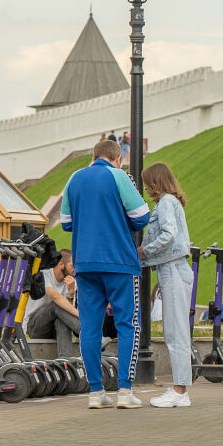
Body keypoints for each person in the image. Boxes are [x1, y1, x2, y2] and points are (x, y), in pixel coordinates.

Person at [64, 137, 153, 409]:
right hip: (119, 261)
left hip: (85, 263)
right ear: (118, 158)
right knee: (128, 325)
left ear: (94, 156)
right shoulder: (119, 176)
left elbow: (67, 223)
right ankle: (125, 391)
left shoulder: (74, 178)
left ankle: (96, 392)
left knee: (89, 328)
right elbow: (142, 215)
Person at [138, 162, 195, 409]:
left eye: (148, 182)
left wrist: (144, 251)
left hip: (171, 268)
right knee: (175, 330)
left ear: (156, 181)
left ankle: (180, 391)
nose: (146, 188)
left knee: (175, 332)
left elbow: (169, 233)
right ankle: (179, 389)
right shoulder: (171, 202)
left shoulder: (166, 203)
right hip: (172, 268)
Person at [26, 250, 81, 360]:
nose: (75, 269)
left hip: (53, 328)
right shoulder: (43, 274)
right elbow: (55, 297)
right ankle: (88, 332)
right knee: (56, 304)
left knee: (61, 319)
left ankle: (65, 361)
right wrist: (80, 315)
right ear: (61, 265)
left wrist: (70, 293)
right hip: (34, 326)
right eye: (72, 265)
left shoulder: (70, 281)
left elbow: (66, 311)